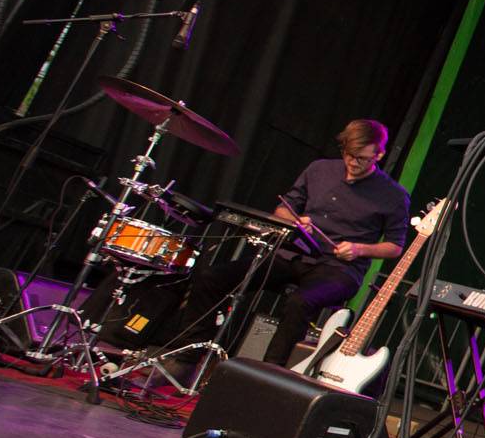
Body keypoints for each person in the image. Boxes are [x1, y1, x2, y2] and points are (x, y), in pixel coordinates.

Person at [173, 119, 408, 366]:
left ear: (379, 154)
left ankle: (268, 374)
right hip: (291, 254)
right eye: (348, 154)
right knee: (212, 278)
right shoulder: (319, 169)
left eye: (361, 158)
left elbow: (395, 246)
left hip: (339, 269)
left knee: (299, 303)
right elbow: (282, 210)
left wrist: (360, 249)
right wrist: (296, 221)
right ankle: (188, 357)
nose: (352, 162)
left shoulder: (393, 196)